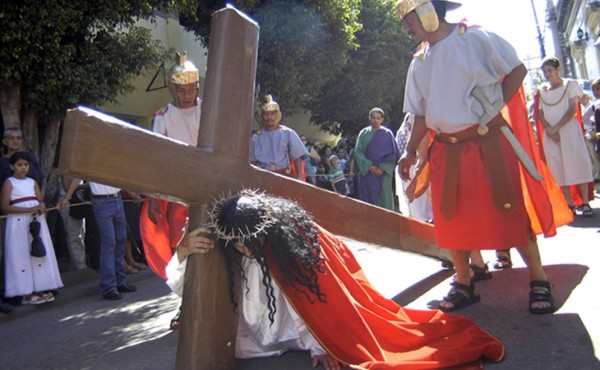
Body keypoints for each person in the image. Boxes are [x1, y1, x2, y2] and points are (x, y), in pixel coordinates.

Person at [167, 190, 504, 369]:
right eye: (236, 245)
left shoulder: (285, 246)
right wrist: (183, 253)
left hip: (287, 329)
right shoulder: (226, 247)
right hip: (251, 334)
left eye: (247, 243)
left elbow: (308, 302)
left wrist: (322, 342)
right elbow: (183, 286)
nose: (243, 249)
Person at [396, 0, 564, 313]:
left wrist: (494, 105)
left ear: (428, 13)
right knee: (451, 218)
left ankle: (539, 279)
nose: (406, 28)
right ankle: (464, 281)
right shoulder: (418, 62)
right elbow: (419, 113)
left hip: (488, 144)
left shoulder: (472, 38)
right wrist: (408, 152)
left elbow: (517, 68)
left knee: (508, 208)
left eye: (409, 19)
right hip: (446, 149)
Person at [139, 52, 202, 327]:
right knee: (182, 246)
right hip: (177, 193)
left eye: (190, 90)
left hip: (208, 186)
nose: (186, 95)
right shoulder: (163, 116)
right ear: (173, 90)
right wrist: (154, 197)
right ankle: (185, 302)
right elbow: (155, 157)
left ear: (196, 89)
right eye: (180, 90)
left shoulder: (210, 110)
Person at [535, 57, 595, 217]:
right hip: (551, 135)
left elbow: (572, 109)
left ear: (557, 69)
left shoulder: (571, 85)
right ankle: (568, 203)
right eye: (545, 72)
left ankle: (585, 202)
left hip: (569, 131)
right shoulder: (542, 91)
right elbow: (539, 113)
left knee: (577, 163)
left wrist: (556, 128)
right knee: (558, 167)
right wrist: (549, 130)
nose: (547, 74)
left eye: (550, 70)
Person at [2, 152, 63, 304]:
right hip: (18, 222)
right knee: (20, 253)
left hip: (35, 220)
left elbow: (40, 200)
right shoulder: (9, 183)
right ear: (12, 166)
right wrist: (26, 211)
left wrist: (41, 206)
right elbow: (4, 206)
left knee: (38, 250)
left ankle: (41, 287)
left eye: (25, 165)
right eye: (19, 165)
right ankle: (25, 291)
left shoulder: (32, 182)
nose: (23, 168)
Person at [60, 180, 137, 300]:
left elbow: (118, 176)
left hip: (117, 198)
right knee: (109, 242)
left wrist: (132, 194)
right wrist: (67, 198)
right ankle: (109, 287)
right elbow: (76, 178)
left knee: (121, 239)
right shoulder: (90, 162)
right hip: (101, 201)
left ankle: (120, 282)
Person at [250, 95, 308, 181]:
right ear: (262, 116)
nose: (269, 117)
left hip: (284, 174)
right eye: (266, 114)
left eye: (272, 114)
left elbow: (297, 156)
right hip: (263, 176)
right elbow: (253, 162)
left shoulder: (288, 133)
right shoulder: (256, 137)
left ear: (277, 115)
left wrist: (299, 177)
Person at [354, 107, 399, 211]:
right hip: (368, 173)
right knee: (368, 201)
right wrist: (370, 166)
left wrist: (382, 168)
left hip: (383, 174)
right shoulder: (363, 133)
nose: (375, 120)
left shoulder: (388, 134)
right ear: (369, 118)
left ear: (382, 119)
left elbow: (393, 155)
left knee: (384, 199)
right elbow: (358, 152)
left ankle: (387, 221)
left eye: (378, 118)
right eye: (373, 117)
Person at [57, 175, 88, 270]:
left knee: (80, 232)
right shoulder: (66, 171)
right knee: (74, 235)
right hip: (68, 203)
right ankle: (79, 264)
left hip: (78, 202)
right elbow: (66, 187)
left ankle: (79, 262)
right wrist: (86, 185)